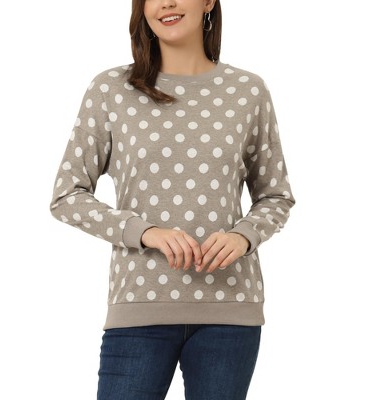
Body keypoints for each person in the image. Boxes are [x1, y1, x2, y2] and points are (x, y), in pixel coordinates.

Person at [50, 0, 295, 398]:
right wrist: (144, 232)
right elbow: (67, 195)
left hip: (230, 308)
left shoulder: (248, 90)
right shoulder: (111, 89)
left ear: (208, 2)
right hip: (138, 305)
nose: (166, 2)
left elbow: (276, 195)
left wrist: (243, 236)